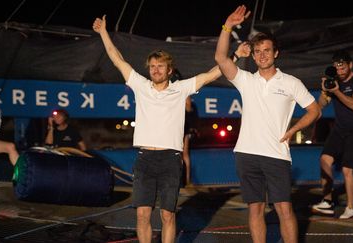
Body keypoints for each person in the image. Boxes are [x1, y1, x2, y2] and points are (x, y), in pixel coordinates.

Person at [92, 15, 248, 243]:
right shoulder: (140, 85)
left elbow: (213, 73)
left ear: (169, 70)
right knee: (143, 214)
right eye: (152, 66)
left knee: (167, 215)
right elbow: (117, 59)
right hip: (145, 158)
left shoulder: (181, 89)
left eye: (160, 66)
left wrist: (236, 55)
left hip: (170, 159)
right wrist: (103, 32)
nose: (155, 70)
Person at [215, 5, 321, 243]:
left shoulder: (292, 83)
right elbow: (221, 58)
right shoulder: (246, 80)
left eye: (267, 50)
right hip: (246, 154)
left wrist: (294, 129)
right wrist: (228, 25)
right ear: (252, 56)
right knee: (255, 209)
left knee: (284, 209)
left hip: (276, 155)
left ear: (276, 53)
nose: (262, 55)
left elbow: (315, 110)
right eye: (258, 51)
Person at [312, 50, 353, 219]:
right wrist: (325, 92)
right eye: (337, 66)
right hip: (340, 129)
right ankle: (328, 202)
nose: (340, 69)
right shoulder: (333, 82)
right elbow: (321, 105)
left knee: (347, 169)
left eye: (342, 65)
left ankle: (351, 208)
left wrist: (337, 92)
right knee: (324, 160)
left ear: (350, 65)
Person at [182, 96, 199, 186]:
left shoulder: (189, 107)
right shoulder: (190, 107)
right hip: (182, 131)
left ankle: (187, 179)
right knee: (183, 155)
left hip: (184, 132)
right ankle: (185, 179)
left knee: (184, 155)